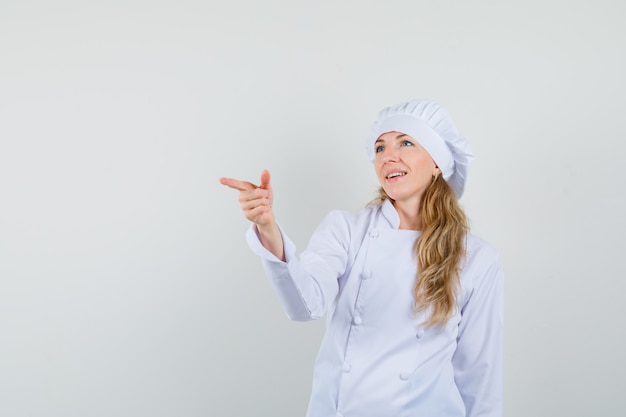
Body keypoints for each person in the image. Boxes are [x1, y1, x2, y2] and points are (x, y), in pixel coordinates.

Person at [220, 99, 503, 417]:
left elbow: (479, 375)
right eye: (380, 148)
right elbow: (304, 305)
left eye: (405, 142)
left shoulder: (476, 258)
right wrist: (268, 228)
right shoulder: (346, 230)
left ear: (438, 163)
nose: (388, 157)